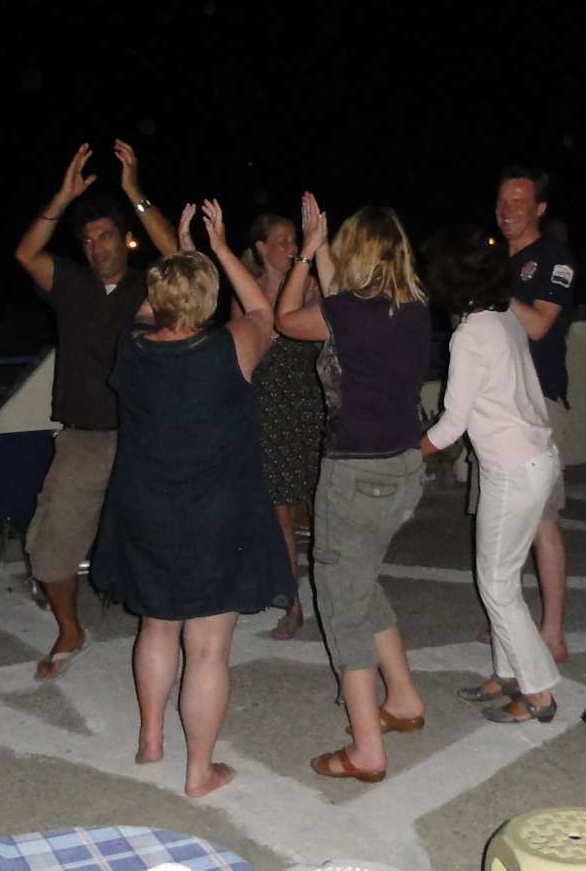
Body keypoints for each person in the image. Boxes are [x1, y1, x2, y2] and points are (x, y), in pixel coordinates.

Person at [92, 200, 294, 798]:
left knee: (157, 627)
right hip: (214, 516)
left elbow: (152, 306)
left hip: (146, 510)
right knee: (207, 649)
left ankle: (151, 739)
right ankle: (199, 771)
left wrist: (179, 255)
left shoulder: (132, 347)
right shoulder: (231, 346)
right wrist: (222, 249)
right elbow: (264, 311)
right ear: (207, 302)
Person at [276, 194, 430, 784]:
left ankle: (367, 749)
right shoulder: (414, 307)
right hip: (403, 469)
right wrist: (320, 249)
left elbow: (287, 321)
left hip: (356, 476)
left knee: (340, 602)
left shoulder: (346, 314)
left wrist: (304, 257)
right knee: (360, 581)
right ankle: (404, 699)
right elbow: (343, 299)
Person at [12, 140, 179, 680]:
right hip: (84, 436)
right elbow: (26, 255)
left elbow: (184, 257)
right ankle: (70, 630)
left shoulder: (149, 286)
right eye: (87, 239)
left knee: (166, 539)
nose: (94, 246)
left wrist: (134, 192)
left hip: (145, 437)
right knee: (51, 545)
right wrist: (62, 198)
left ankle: (174, 626)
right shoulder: (71, 283)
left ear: (124, 239)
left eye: (104, 235)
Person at [421, 226, 561, 724]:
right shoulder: (502, 316)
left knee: (497, 585)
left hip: (512, 469)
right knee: (501, 577)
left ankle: (538, 691)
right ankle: (504, 673)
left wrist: (404, 452)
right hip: (534, 459)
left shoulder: (469, 334)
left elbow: (451, 425)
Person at [470, 165, 576, 664]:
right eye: (501, 200)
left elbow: (537, 326)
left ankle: (551, 631)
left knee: (540, 521)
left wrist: (496, 290)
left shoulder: (553, 259)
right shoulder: (493, 261)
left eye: (517, 201)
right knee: (497, 520)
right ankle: (505, 617)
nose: (506, 209)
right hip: (492, 407)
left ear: (539, 208)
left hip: (537, 404)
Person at [236, 211, 325, 640]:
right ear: (261, 248)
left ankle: (335, 599)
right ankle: (293, 604)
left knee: (323, 507)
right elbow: (243, 354)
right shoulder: (246, 292)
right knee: (280, 514)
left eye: (295, 239)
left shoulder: (310, 286)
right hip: (268, 409)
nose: (291, 248)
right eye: (282, 241)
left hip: (312, 404)